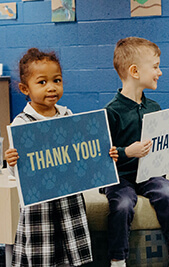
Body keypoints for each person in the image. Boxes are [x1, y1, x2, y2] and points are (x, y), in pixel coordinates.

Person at [4, 48, 118, 267]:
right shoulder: (22, 123)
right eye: (42, 82)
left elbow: (83, 155)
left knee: (69, 255)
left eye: (56, 80)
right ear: (24, 88)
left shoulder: (68, 116)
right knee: (42, 255)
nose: (51, 87)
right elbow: (18, 173)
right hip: (39, 206)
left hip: (69, 200)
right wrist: (12, 162)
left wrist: (105, 156)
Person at [102, 37, 169, 267]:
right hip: (120, 178)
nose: (160, 72)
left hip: (150, 174)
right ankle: (118, 261)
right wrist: (127, 151)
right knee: (121, 205)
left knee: (168, 195)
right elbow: (104, 155)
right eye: (156, 66)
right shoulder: (112, 111)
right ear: (135, 71)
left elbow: (164, 150)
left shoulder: (155, 108)